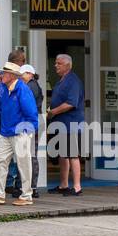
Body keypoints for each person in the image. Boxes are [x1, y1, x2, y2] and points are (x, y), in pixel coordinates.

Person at [0, 61, 38, 207]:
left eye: (5, 73)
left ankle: (26, 196)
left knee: (23, 164)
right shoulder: (5, 87)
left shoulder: (22, 89)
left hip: (20, 131)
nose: (2, 75)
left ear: (13, 76)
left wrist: (27, 131)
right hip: (6, 131)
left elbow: (31, 113)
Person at [48, 53, 86, 196]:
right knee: (63, 155)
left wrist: (53, 112)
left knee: (73, 154)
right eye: (56, 63)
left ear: (68, 65)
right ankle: (63, 185)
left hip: (71, 123)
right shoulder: (61, 81)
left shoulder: (73, 81)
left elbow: (71, 103)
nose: (55, 65)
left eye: (59, 63)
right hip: (61, 124)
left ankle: (77, 187)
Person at [8, 64, 44, 199]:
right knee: (25, 154)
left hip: (31, 122)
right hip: (29, 122)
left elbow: (24, 105)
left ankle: (31, 187)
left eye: (22, 74)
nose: (20, 77)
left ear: (30, 74)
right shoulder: (30, 85)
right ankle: (24, 186)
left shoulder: (31, 86)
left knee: (30, 155)